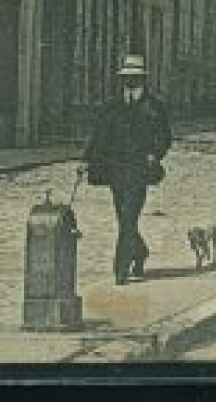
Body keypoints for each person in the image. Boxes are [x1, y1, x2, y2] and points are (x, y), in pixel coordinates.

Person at [83, 54, 173, 286]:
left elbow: (165, 137)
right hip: (114, 170)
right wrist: (86, 160)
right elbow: (99, 135)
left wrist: (155, 153)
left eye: (134, 77)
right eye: (126, 77)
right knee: (124, 218)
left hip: (139, 170)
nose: (130, 81)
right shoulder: (112, 106)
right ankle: (140, 251)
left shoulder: (154, 106)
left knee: (128, 217)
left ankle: (120, 269)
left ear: (142, 79)